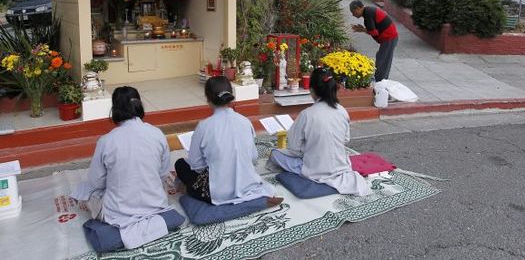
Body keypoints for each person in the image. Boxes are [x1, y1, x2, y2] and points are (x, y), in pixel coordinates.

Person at [70, 86, 182, 249]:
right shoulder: (157, 133)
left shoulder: (106, 141)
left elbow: (96, 182)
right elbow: (163, 174)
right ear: (139, 105)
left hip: (117, 212)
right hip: (155, 204)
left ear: (115, 109)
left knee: (86, 189)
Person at [175, 76, 283, 206]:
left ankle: (188, 191)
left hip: (218, 192)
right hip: (248, 184)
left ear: (208, 98)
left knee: (180, 164)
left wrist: (216, 166)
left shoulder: (204, 126)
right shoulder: (244, 121)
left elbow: (196, 165)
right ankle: (254, 197)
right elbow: (253, 158)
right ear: (230, 95)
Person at [269, 68, 371, 196]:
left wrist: (309, 147)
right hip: (339, 166)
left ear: (312, 91)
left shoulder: (306, 114)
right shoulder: (342, 111)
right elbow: (346, 139)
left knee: (275, 154)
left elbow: (294, 149)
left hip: (313, 169)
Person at [349, 0, 398, 82]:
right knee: (382, 58)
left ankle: (380, 81)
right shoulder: (368, 11)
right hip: (389, 37)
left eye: (353, 12)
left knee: (383, 59)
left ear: (358, 8)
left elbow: (374, 32)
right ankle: (381, 79)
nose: (353, 15)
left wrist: (362, 30)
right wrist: (363, 29)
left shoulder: (368, 13)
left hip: (389, 37)